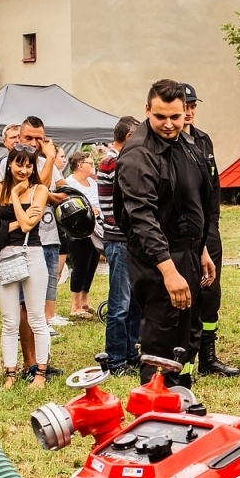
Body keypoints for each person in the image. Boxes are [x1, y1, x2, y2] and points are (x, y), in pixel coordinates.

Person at [120, 80, 215, 388]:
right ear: (147, 110)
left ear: (185, 113)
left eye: (175, 116)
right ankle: (154, 421)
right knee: (162, 346)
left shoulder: (186, 144)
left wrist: (201, 250)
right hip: (159, 260)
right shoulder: (139, 154)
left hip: (188, 252)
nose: (169, 124)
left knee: (186, 341)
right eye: (161, 116)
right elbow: (141, 219)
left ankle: (182, 409)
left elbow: (195, 201)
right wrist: (169, 272)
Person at [179, 83, 240, 377]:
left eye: (193, 106)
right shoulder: (170, 142)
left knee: (211, 293)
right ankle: (185, 358)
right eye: (184, 105)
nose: (189, 111)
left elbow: (213, 188)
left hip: (208, 229)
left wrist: (212, 225)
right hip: (183, 232)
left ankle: (209, 356)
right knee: (187, 294)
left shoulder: (203, 140)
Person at [0, 146, 52, 387]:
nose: (24, 170)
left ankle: (40, 373)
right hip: (4, 256)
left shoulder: (40, 190)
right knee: (10, 320)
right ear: (9, 164)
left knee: (36, 317)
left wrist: (14, 197)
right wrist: (15, 210)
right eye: (19, 164)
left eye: (29, 165)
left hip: (32, 253)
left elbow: (28, 226)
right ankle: (10, 374)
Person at [98, 116, 142, 372]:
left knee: (133, 301)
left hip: (125, 239)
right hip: (119, 238)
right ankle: (115, 359)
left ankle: (129, 350)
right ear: (128, 136)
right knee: (120, 303)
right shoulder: (115, 160)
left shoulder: (112, 158)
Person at [17, 116, 67, 335]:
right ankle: (28, 328)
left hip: (49, 231)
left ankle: (46, 321)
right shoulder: (15, 162)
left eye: (39, 139)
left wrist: (48, 195)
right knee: (28, 288)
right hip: (26, 236)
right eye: (29, 137)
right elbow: (37, 189)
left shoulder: (46, 162)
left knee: (49, 281)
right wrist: (49, 160)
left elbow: (64, 192)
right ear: (20, 137)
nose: (34, 143)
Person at [60, 151, 102, 319]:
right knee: (80, 265)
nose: (93, 166)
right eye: (90, 163)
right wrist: (88, 208)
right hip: (78, 230)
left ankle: (84, 300)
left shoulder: (92, 182)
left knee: (92, 264)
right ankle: (75, 305)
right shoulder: (69, 182)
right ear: (80, 165)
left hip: (95, 228)